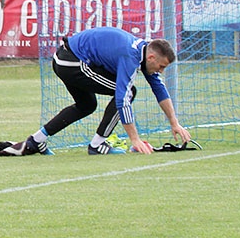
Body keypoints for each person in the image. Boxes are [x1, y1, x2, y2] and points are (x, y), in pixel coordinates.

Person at [17, 26, 192, 156]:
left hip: (66, 59)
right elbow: (122, 99)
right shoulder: (130, 55)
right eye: (161, 66)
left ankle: (37, 140)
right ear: (152, 57)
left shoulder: (143, 53)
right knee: (128, 93)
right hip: (71, 61)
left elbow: (159, 88)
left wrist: (174, 123)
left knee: (87, 105)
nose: (160, 71)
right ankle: (98, 144)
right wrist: (135, 139)